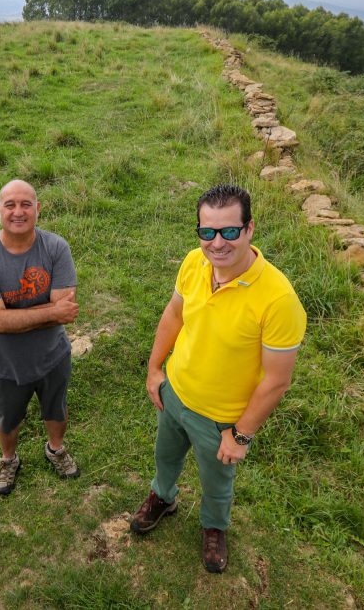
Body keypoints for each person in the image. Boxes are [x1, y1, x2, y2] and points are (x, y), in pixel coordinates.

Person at [130, 184, 307, 573]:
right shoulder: (194, 262)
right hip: (174, 393)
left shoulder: (278, 300)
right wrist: (155, 369)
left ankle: (214, 527)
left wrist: (240, 434)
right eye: (207, 232)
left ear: (249, 229)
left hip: (220, 419)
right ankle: (163, 497)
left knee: (217, 483)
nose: (217, 243)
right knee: (165, 457)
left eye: (229, 231)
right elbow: (174, 315)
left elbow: (276, 380)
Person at [0, 179, 81, 495]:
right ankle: (8, 459)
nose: (18, 212)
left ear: (38, 208)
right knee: (8, 418)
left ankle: (55, 448)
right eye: (10, 205)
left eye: (26, 204)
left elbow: (65, 309)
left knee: (56, 409)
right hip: (5, 363)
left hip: (53, 356)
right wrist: (49, 314)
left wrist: (12, 317)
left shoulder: (56, 247)